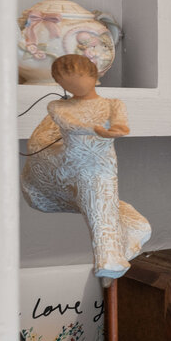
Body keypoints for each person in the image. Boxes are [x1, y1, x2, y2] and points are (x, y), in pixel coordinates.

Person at [21, 54, 151, 278]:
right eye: (65, 83)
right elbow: (69, 123)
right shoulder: (57, 106)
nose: (72, 87)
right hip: (73, 163)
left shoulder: (113, 104)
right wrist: (95, 130)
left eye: (77, 80)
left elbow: (120, 122)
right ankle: (109, 256)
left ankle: (114, 253)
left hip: (103, 164)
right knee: (96, 192)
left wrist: (117, 129)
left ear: (93, 76)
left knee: (104, 196)